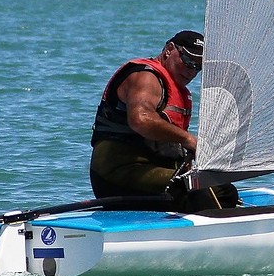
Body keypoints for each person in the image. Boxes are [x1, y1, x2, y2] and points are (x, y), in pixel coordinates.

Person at [89, 30, 238, 211]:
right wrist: (187, 139)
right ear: (169, 50)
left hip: (154, 172)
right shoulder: (146, 78)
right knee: (198, 192)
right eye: (189, 61)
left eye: (198, 68)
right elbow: (140, 119)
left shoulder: (177, 90)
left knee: (224, 190)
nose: (191, 71)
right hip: (116, 175)